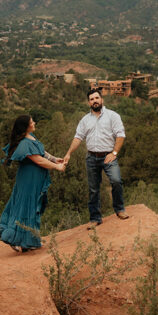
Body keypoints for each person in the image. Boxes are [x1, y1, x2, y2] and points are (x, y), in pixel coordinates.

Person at [0, 115, 65, 253]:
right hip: (28, 180)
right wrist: (56, 167)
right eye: (31, 122)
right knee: (24, 206)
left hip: (34, 179)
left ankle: (29, 241)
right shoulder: (24, 144)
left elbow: (41, 152)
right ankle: (14, 239)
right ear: (26, 126)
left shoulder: (31, 137)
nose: (34, 122)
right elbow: (39, 160)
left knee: (32, 206)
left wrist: (54, 159)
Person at [63, 87, 129, 229]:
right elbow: (78, 137)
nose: (95, 101)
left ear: (101, 100)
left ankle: (120, 210)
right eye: (92, 99)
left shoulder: (113, 116)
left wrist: (114, 153)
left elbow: (121, 135)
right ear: (89, 103)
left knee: (116, 181)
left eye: (96, 98)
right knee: (93, 189)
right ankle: (95, 218)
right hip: (92, 158)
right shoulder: (85, 120)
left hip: (108, 157)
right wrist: (68, 153)